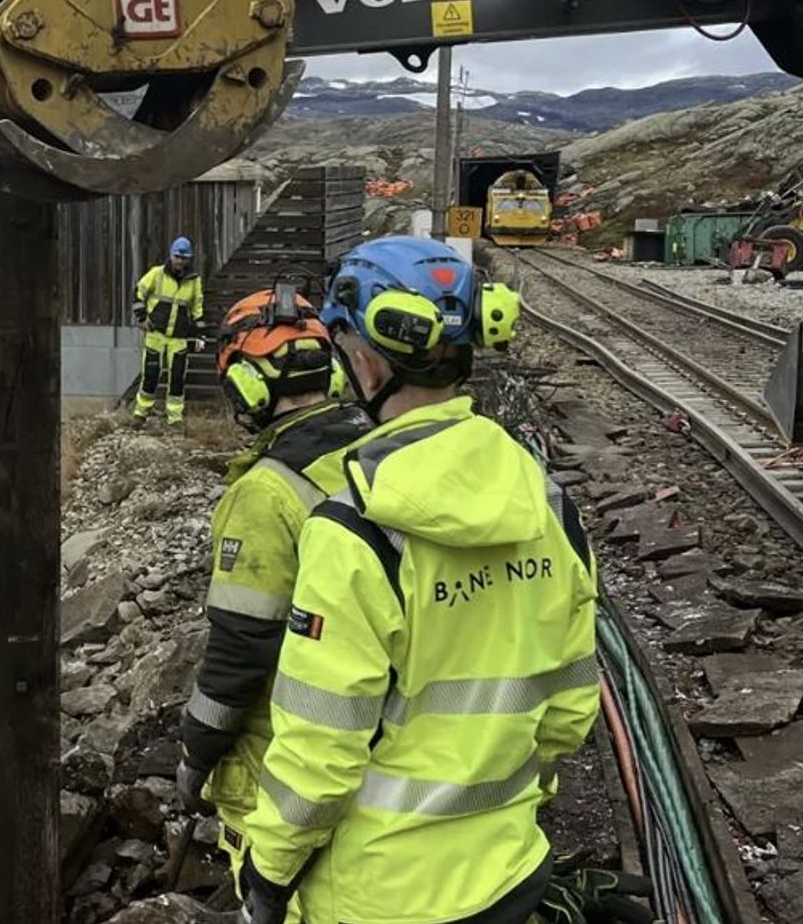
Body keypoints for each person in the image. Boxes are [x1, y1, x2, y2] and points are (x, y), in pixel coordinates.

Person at [237, 236, 599, 924]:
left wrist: (267, 871)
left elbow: (321, 754)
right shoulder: (548, 505)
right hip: (509, 868)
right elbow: (569, 708)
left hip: (381, 894)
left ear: (367, 359)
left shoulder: (353, 534)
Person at [177, 283, 371, 916]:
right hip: (379, 740)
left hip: (287, 755)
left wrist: (195, 751)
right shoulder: (374, 454)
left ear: (249, 388)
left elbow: (240, 651)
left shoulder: (266, 494)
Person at [132, 235, 206, 428]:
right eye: (177, 256)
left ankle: (174, 417)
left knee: (177, 378)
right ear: (171, 255)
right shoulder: (157, 274)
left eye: (184, 257)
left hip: (179, 338)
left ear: (189, 259)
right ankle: (141, 413)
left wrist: (199, 335)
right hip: (156, 334)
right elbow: (139, 291)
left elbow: (197, 308)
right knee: (150, 374)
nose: (180, 261)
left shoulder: (194, 281)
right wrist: (141, 317)